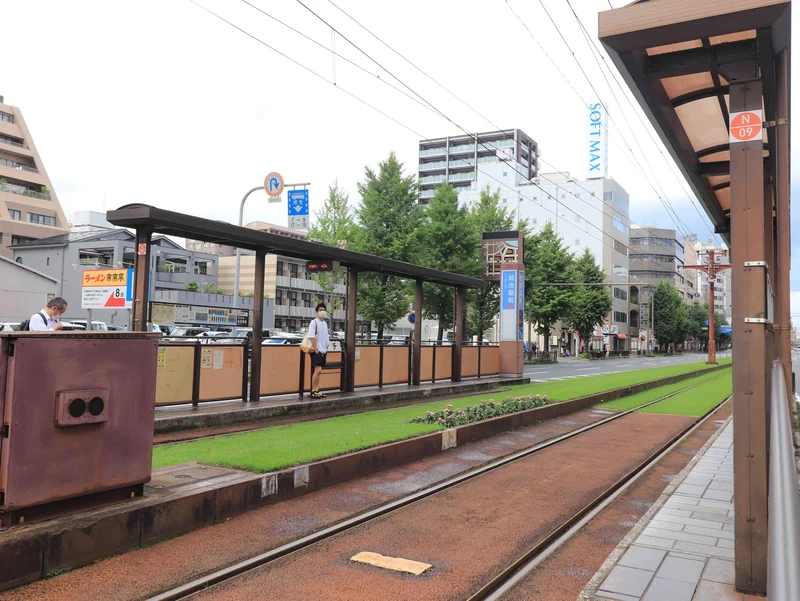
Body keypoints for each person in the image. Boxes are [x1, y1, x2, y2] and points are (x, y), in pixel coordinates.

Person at [307, 302, 329, 399]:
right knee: (317, 370)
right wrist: (316, 348)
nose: (322, 311)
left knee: (319, 371)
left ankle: (317, 390)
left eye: (324, 310)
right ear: (317, 312)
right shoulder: (314, 322)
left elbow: (326, 336)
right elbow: (311, 336)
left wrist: (326, 347)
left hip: (323, 350)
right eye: (320, 310)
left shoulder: (324, 323)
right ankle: (314, 391)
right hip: (316, 350)